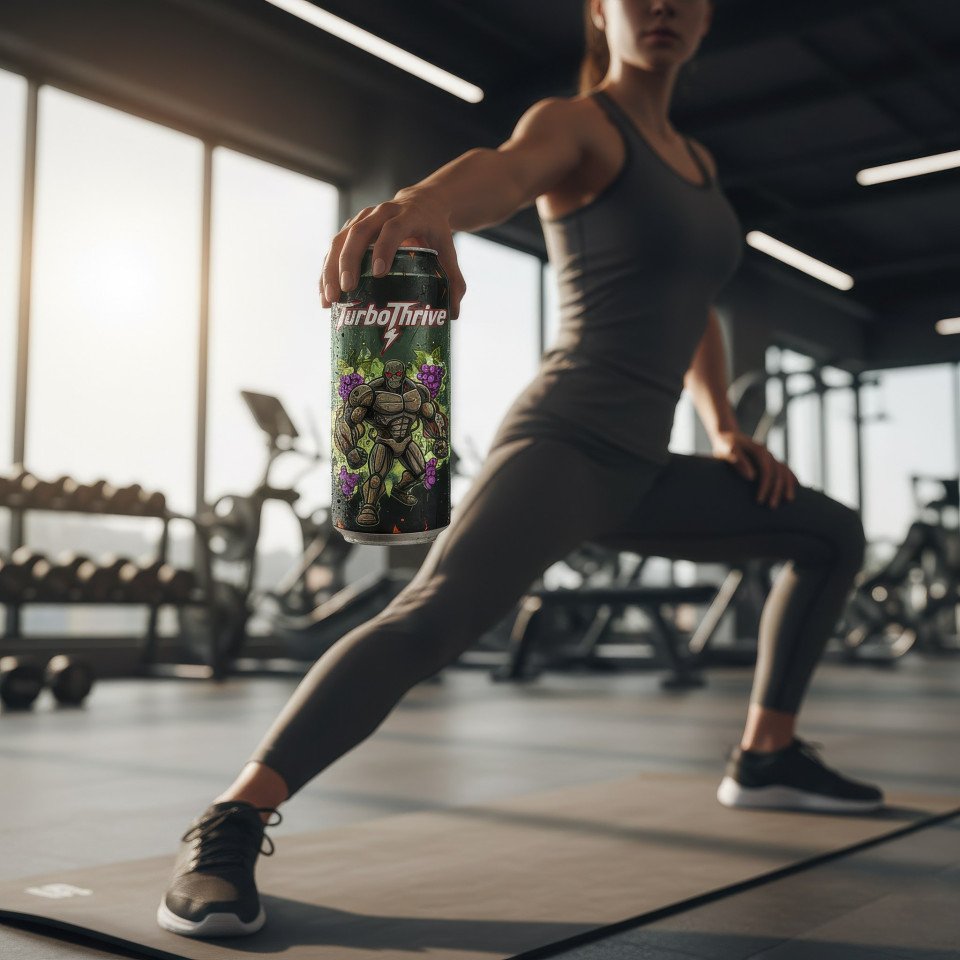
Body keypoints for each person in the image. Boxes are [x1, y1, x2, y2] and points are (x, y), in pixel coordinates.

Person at [157, 0, 883, 939]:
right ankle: (230, 820)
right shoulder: (581, 124)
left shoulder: (701, 168)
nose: (661, 5)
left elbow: (696, 305)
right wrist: (425, 207)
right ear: (600, 11)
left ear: (707, 16)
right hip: (566, 443)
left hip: (647, 470)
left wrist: (727, 427)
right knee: (435, 615)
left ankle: (766, 754)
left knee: (829, 532)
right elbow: (502, 174)